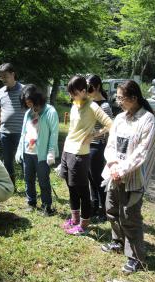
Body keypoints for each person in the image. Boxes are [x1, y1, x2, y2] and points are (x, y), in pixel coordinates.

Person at [101, 80, 155, 273]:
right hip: (114, 174)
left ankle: (136, 257)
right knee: (111, 210)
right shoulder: (119, 119)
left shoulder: (148, 121)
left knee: (130, 217)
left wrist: (121, 170)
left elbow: (141, 153)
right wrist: (112, 165)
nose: (118, 101)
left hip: (132, 178)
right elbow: (110, 145)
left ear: (134, 98)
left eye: (121, 98)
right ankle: (117, 241)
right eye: (117, 97)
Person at [60, 75, 113, 235]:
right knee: (70, 187)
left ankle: (84, 224)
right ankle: (75, 219)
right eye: (70, 93)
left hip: (80, 153)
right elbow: (72, 128)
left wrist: (95, 135)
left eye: (74, 93)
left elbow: (111, 124)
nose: (71, 96)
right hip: (67, 150)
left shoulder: (93, 106)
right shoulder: (75, 104)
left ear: (84, 91)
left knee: (82, 189)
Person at [15, 84, 59, 216]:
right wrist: (19, 150)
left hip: (42, 155)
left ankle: (47, 206)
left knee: (43, 180)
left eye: (30, 101)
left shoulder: (50, 111)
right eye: (26, 102)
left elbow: (54, 133)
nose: (28, 105)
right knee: (28, 179)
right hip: (28, 152)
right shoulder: (28, 113)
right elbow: (23, 133)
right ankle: (31, 202)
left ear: (37, 98)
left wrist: (51, 151)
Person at [0, 63, 25, 187]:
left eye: (5, 76)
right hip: (5, 132)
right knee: (7, 162)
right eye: (1, 77)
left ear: (13, 74)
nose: (3, 79)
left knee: (23, 160)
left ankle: (29, 187)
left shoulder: (24, 89)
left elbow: (32, 109)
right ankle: (11, 186)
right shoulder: (0, 92)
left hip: (22, 132)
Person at [86, 75, 113, 223]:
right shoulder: (90, 103)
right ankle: (94, 206)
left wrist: (97, 134)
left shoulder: (104, 106)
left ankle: (104, 210)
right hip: (88, 145)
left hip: (98, 146)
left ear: (96, 87)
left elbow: (110, 126)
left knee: (98, 179)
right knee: (91, 178)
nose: (87, 90)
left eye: (89, 87)